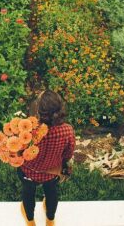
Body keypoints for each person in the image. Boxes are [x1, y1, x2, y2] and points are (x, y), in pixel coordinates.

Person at [19, 90, 76, 226]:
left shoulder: (30, 131)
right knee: (51, 193)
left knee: (28, 194)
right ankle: (50, 220)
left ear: (38, 111)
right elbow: (69, 153)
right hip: (52, 173)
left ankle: (30, 221)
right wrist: (61, 162)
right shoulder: (67, 130)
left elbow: (21, 151)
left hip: (29, 172)